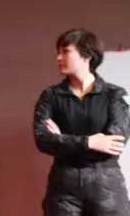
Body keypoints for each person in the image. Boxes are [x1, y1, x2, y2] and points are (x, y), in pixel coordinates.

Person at [33, 28, 130, 215]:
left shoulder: (114, 95)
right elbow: (43, 139)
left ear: (87, 55)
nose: (58, 58)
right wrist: (90, 142)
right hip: (63, 188)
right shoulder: (51, 96)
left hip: (106, 187)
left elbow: (116, 142)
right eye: (58, 52)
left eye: (65, 52)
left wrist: (62, 139)